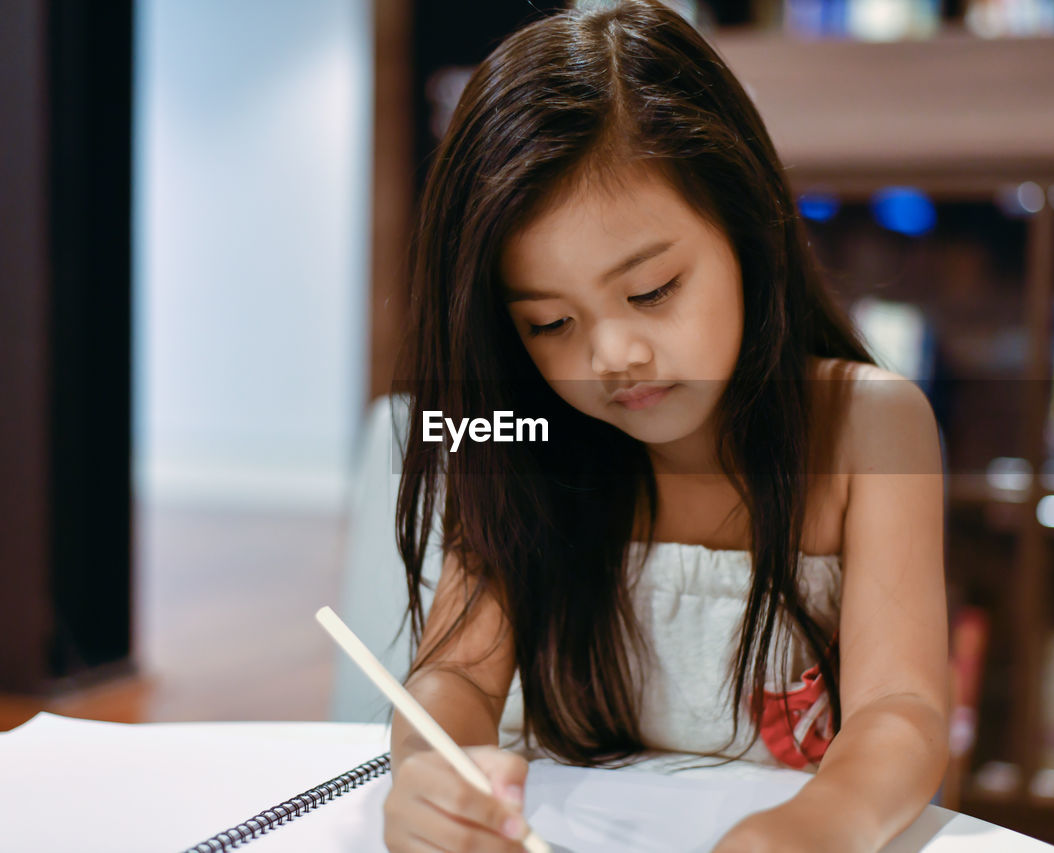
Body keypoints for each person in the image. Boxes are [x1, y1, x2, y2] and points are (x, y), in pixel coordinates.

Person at [383, 2, 948, 851]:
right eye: (548, 324)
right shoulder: (516, 434)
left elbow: (901, 709)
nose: (611, 354)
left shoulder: (869, 427)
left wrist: (812, 829)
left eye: (650, 291)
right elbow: (456, 674)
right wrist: (435, 773)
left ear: (746, 228)